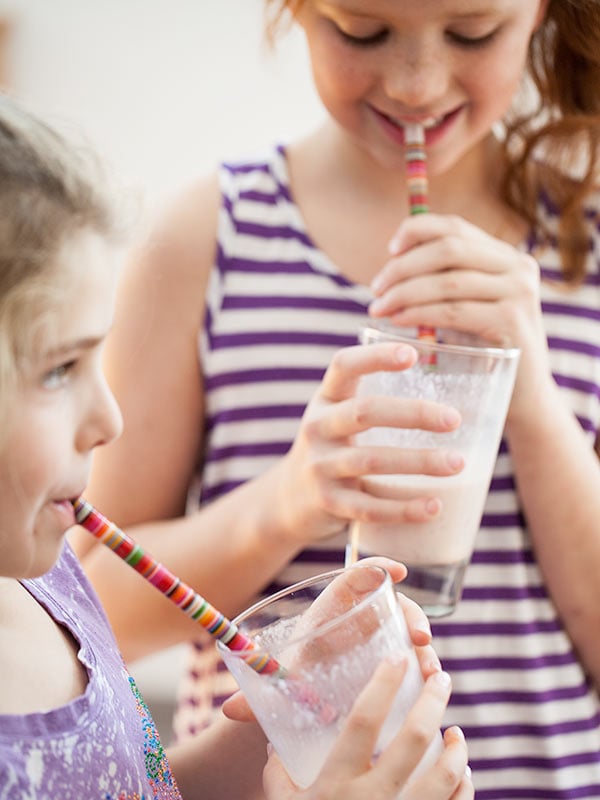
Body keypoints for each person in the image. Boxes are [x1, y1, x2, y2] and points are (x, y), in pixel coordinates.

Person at [71, 0, 600, 796]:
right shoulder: (204, 241)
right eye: (362, 29)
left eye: (472, 32)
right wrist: (291, 500)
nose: (417, 84)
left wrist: (530, 399)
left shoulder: (584, 248)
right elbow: (90, 612)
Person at [0, 92, 473, 799]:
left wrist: (284, 722)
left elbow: (134, 786)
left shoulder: (50, 585)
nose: (109, 419)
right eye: (59, 369)